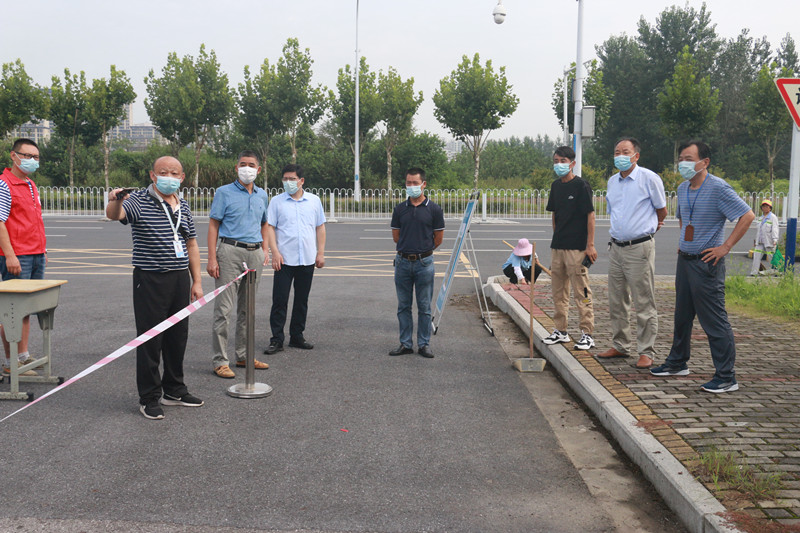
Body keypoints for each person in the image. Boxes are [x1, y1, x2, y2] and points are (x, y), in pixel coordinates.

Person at [651, 141, 754, 393]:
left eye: (688, 158)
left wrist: (725, 247)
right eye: (681, 159)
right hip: (685, 260)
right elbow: (684, 218)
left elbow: (747, 215)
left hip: (707, 263)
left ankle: (726, 376)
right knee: (682, 316)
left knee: (714, 320)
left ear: (704, 162)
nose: (682, 163)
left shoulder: (718, 188)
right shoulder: (683, 187)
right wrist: (684, 241)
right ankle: (677, 362)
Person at [106, 156, 204, 420]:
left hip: (179, 278)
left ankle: (174, 390)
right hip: (150, 278)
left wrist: (196, 281)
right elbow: (116, 215)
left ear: (182, 178)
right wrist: (116, 200)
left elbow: (191, 244)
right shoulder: (138, 200)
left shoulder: (183, 205)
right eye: (163, 172)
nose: (168, 177)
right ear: (152, 175)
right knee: (150, 339)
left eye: (174, 173)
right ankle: (149, 397)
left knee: (177, 337)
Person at [596, 137, 667, 369]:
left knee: (643, 300)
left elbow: (662, 210)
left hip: (639, 247)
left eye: (625, 152)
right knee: (617, 300)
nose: (620, 156)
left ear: (636, 155)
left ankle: (646, 351)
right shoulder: (612, 182)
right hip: (616, 247)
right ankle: (620, 344)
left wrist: (649, 228)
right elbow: (616, 212)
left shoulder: (649, 178)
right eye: (617, 152)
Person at [207, 151, 270, 378]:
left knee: (247, 309)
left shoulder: (262, 195)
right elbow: (214, 225)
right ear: (236, 168)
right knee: (223, 310)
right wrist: (212, 258)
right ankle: (220, 360)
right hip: (230, 251)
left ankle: (244, 355)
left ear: (258, 169)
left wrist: (265, 249)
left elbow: (264, 223)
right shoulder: (224, 192)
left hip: (254, 252)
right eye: (243, 164)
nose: (247, 168)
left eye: (251, 165)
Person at [263, 164, 326, 355]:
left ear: (301, 181)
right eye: (285, 179)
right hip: (284, 259)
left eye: (292, 179)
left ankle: (297, 336)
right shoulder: (277, 201)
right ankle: (277, 339)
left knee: (301, 300)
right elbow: (270, 227)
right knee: (280, 300)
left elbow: (320, 227)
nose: (288, 182)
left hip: (307, 258)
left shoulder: (314, 201)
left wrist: (320, 253)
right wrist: (275, 252)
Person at [542, 146, 597, 351]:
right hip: (558, 247)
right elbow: (554, 215)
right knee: (559, 292)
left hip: (577, 248)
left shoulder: (581, 186)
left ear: (572, 163)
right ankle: (561, 330)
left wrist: (590, 245)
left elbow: (590, 216)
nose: (559, 165)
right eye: (556, 161)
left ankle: (587, 334)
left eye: (563, 161)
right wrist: (556, 237)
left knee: (582, 291)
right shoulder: (556, 186)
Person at [0, 139, 46, 377]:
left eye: (35, 157)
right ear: (13, 156)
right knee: (11, 310)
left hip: (35, 253)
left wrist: (42, 249)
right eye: (27, 156)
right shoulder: (4, 184)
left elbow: (33, 220)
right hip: (18, 256)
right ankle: (11, 362)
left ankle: (23, 356)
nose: (32, 161)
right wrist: (10, 255)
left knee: (26, 309)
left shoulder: (30, 184)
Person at [389, 167, 445, 358]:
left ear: (423, 184)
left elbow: (438, 239)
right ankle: (405, 343)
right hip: (403, 263)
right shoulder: (400, 209)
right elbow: (396, 237)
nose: (411, 186)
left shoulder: (434, 209)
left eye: (415, 183)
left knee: (424, 307)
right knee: (403, 306)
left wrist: (423, 251)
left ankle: (424, 344)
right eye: (408, 183)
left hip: (424, 264)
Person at [749, 199, 779, 276]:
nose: (765, 208)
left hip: (769, 241)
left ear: (770, 208)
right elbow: (759, 231)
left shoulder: (773, 217)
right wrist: (756, 241)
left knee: (771, 257)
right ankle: (754, 273)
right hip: (760, 242)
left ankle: (777, 271)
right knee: (756, 256)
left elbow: (775, 229)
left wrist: (775, 239)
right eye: (763, 206)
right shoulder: (760, 218)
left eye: (767, 206)